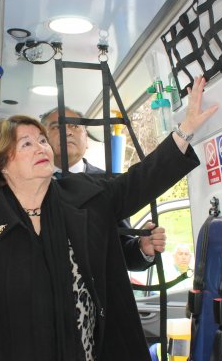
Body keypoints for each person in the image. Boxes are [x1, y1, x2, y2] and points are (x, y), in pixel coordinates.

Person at [0, 76, 217, 361]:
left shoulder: (78, 197)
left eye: (41, 139)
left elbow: (136, 183)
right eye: (26, 143)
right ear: (1, 163)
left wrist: (185, 130)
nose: (41, 146)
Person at [40, 106, 165, 272]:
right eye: (56, 127)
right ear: (42, 141)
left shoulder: (110, 184)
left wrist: (142, 248)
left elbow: (122, 253)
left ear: (86, 139)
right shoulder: (30, 185)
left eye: (75, 126)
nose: (67, 132)